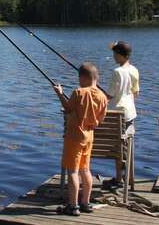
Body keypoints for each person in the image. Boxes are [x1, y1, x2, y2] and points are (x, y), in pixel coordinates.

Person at [52, 62, 108, 216]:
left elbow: (68, 109)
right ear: (96, 78)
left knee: (72, 171)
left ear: (83, 78)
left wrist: (59, 93)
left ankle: (73, 206)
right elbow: (100, 119)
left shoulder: (78, 92)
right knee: (85, 169)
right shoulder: (103, 97)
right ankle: (86, 203)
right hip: (89, 136)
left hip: (74, 136)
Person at [105, 40, 139, 188]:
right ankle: (128, 178)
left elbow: (110, 95)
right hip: (130, 113)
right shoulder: (134, 70)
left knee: (118, 146)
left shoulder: (116, 72)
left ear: (119, 55)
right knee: (127, 144)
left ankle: (119, 179)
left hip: (117, 113)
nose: (113, 56)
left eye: (114, 53)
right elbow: (135, 93)